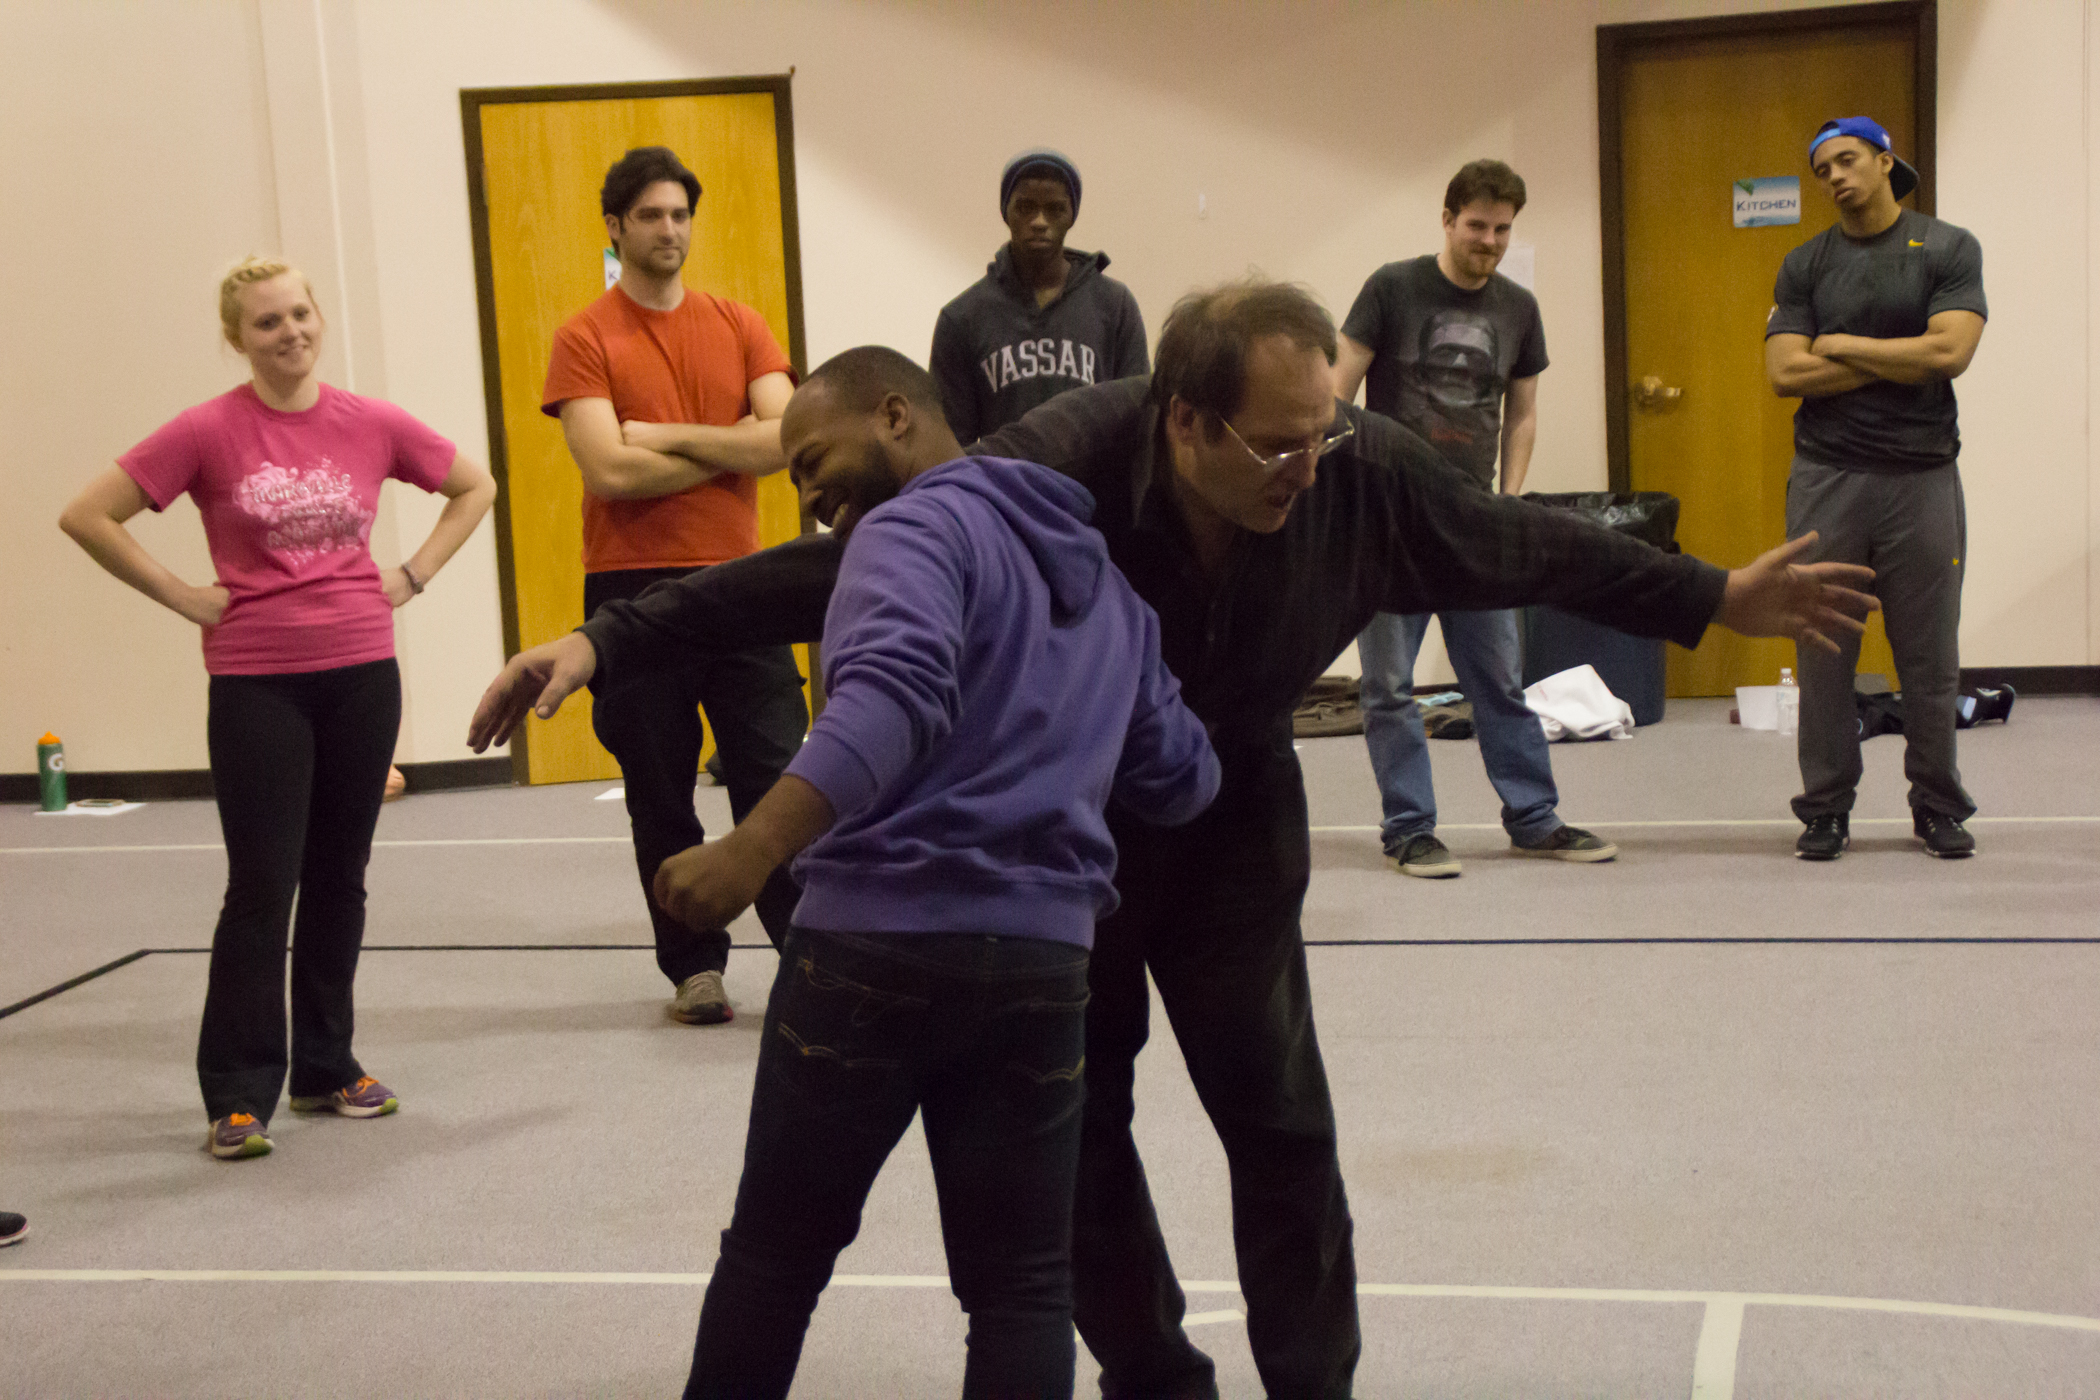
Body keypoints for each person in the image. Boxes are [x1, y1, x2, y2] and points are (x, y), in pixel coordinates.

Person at [472, 280, 1873, 1399]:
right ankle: (1153, 1376)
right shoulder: (1066, 461)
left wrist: (1708, 595)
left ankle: (1309, 1383)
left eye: (1317, 433)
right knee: (1082, 1134)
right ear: (1181, 423)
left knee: (1276, 1117)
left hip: (1226, 797)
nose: (1301, 468)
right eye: (1273, 443)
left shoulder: (1356, 471)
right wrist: (611, 635)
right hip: (1076, 824)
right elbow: (852, 566)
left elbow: (1522, 546)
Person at [637, 346, 1218, 1399]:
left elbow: (890, 697)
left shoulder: (909, 530)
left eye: (814, 457)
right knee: (1022, 1289)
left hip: (875, 947)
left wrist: (747, 850)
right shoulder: (1114, 592)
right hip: (1042, 968)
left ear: (896, 414)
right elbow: (1182, 778)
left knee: (775, 1256)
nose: (811, 496)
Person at [60, 257, 496, 1160]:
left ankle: (326, 1068)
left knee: (341, 876)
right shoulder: (208, 431)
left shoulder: (368, 423)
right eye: (267, 323)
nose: (289, 333)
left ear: (317, 319)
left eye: (300, 314)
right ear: (238, 339)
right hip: (258, 682)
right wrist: (185, 596)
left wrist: (412, 575)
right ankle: (236, 1092)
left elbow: (475, 486)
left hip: (362, 673)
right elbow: (88, 514)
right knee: (263, 886)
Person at [542, 146, 811, 1024]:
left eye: (680, 215)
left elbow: (781, 446)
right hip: (633, 594)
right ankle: (693, 967)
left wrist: (656, 433)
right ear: (616, 228)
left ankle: (811, 957)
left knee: (775, 781)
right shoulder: (585, 337)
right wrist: (715, 444)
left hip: (744, 585)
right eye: (651, 215)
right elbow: (607, 474)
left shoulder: (741, 324)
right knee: (659, 792)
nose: (669, 230)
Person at [1335, 159, 1614, 878]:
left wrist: (1509, 501)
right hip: (1391, 525)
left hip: (1474, 522)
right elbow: (1337, 391)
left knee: (1499, 681)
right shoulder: (1392, 288)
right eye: (1477, 226)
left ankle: (1533, 817)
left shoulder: (1518, 309)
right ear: (1447, 219)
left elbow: (1522, 415)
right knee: (1389, 687)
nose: (1488, 240)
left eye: (1502, 229)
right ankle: (1410, 830)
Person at [1765, 116, 1987, 861]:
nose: (1834, 176)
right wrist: (1905, 355)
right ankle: (1825, 808)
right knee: (1825, 650)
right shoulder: (1805, 264)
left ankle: (1937, 805)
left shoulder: (1947, 247)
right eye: (1822, 168)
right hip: (1829, 475)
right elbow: (1785, 374)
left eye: (1847, 160)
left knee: (1928, 655)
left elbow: (1952, 351)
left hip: (1922, 476)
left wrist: (1846, 344)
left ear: (1886, 161)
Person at [929, 148, 1149, 443]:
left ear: (1071, 215)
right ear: (1005, 212)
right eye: (1026, 207)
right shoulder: (962, 318)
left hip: (1090, 489)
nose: (1039, 221)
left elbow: (1139, 421)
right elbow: (952, 446)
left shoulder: (1114, 305)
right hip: (1000, 488)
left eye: (1055, 209)